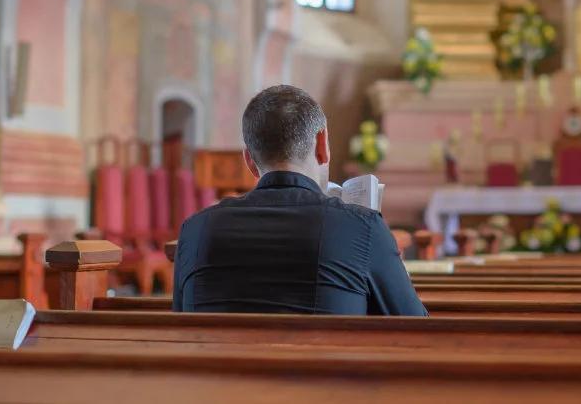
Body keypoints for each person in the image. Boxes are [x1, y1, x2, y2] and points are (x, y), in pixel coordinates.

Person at [173, 85, 427, 315]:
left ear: (249, 160)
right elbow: (416, 329)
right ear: (322, 144)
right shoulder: (362, 227)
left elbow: (179, 331)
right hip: (326, 367)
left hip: (218, 367)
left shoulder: (195, 231)